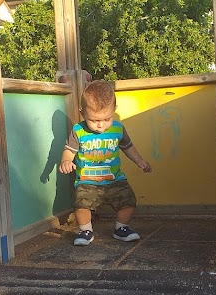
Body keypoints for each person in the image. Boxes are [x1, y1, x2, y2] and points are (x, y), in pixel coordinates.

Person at [59, 80, 151, 246]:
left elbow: (128, 147)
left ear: (114, 111)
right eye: (94, 120)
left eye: (107, 119)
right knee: (81, 205)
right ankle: (85, 230)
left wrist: (140, 161)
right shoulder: (78, 131)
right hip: (87, 181)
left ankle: (121, 228)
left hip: (114, 179)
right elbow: (69, 150)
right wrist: (66, 161)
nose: (100, 125)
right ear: (82, 113)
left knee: (129, 201)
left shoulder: (118, 128)